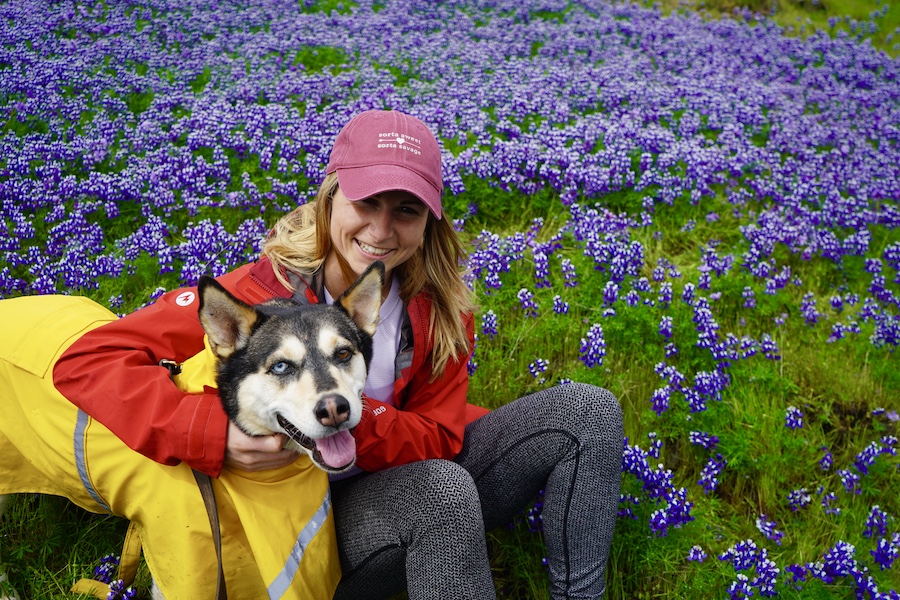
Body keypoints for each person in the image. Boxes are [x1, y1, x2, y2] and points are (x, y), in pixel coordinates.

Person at [15, 109, 625, 598]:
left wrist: (355, 415)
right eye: (366, 204)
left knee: (589, 411)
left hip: (398, 465)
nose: (381, 232)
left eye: (406, 210)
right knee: (443, 493)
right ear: (331, 197)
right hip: (313, 510)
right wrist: (208, 432)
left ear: (429, 221)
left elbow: (440, 434)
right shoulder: (255, 296)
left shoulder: (438, 309)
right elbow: (87, 360)